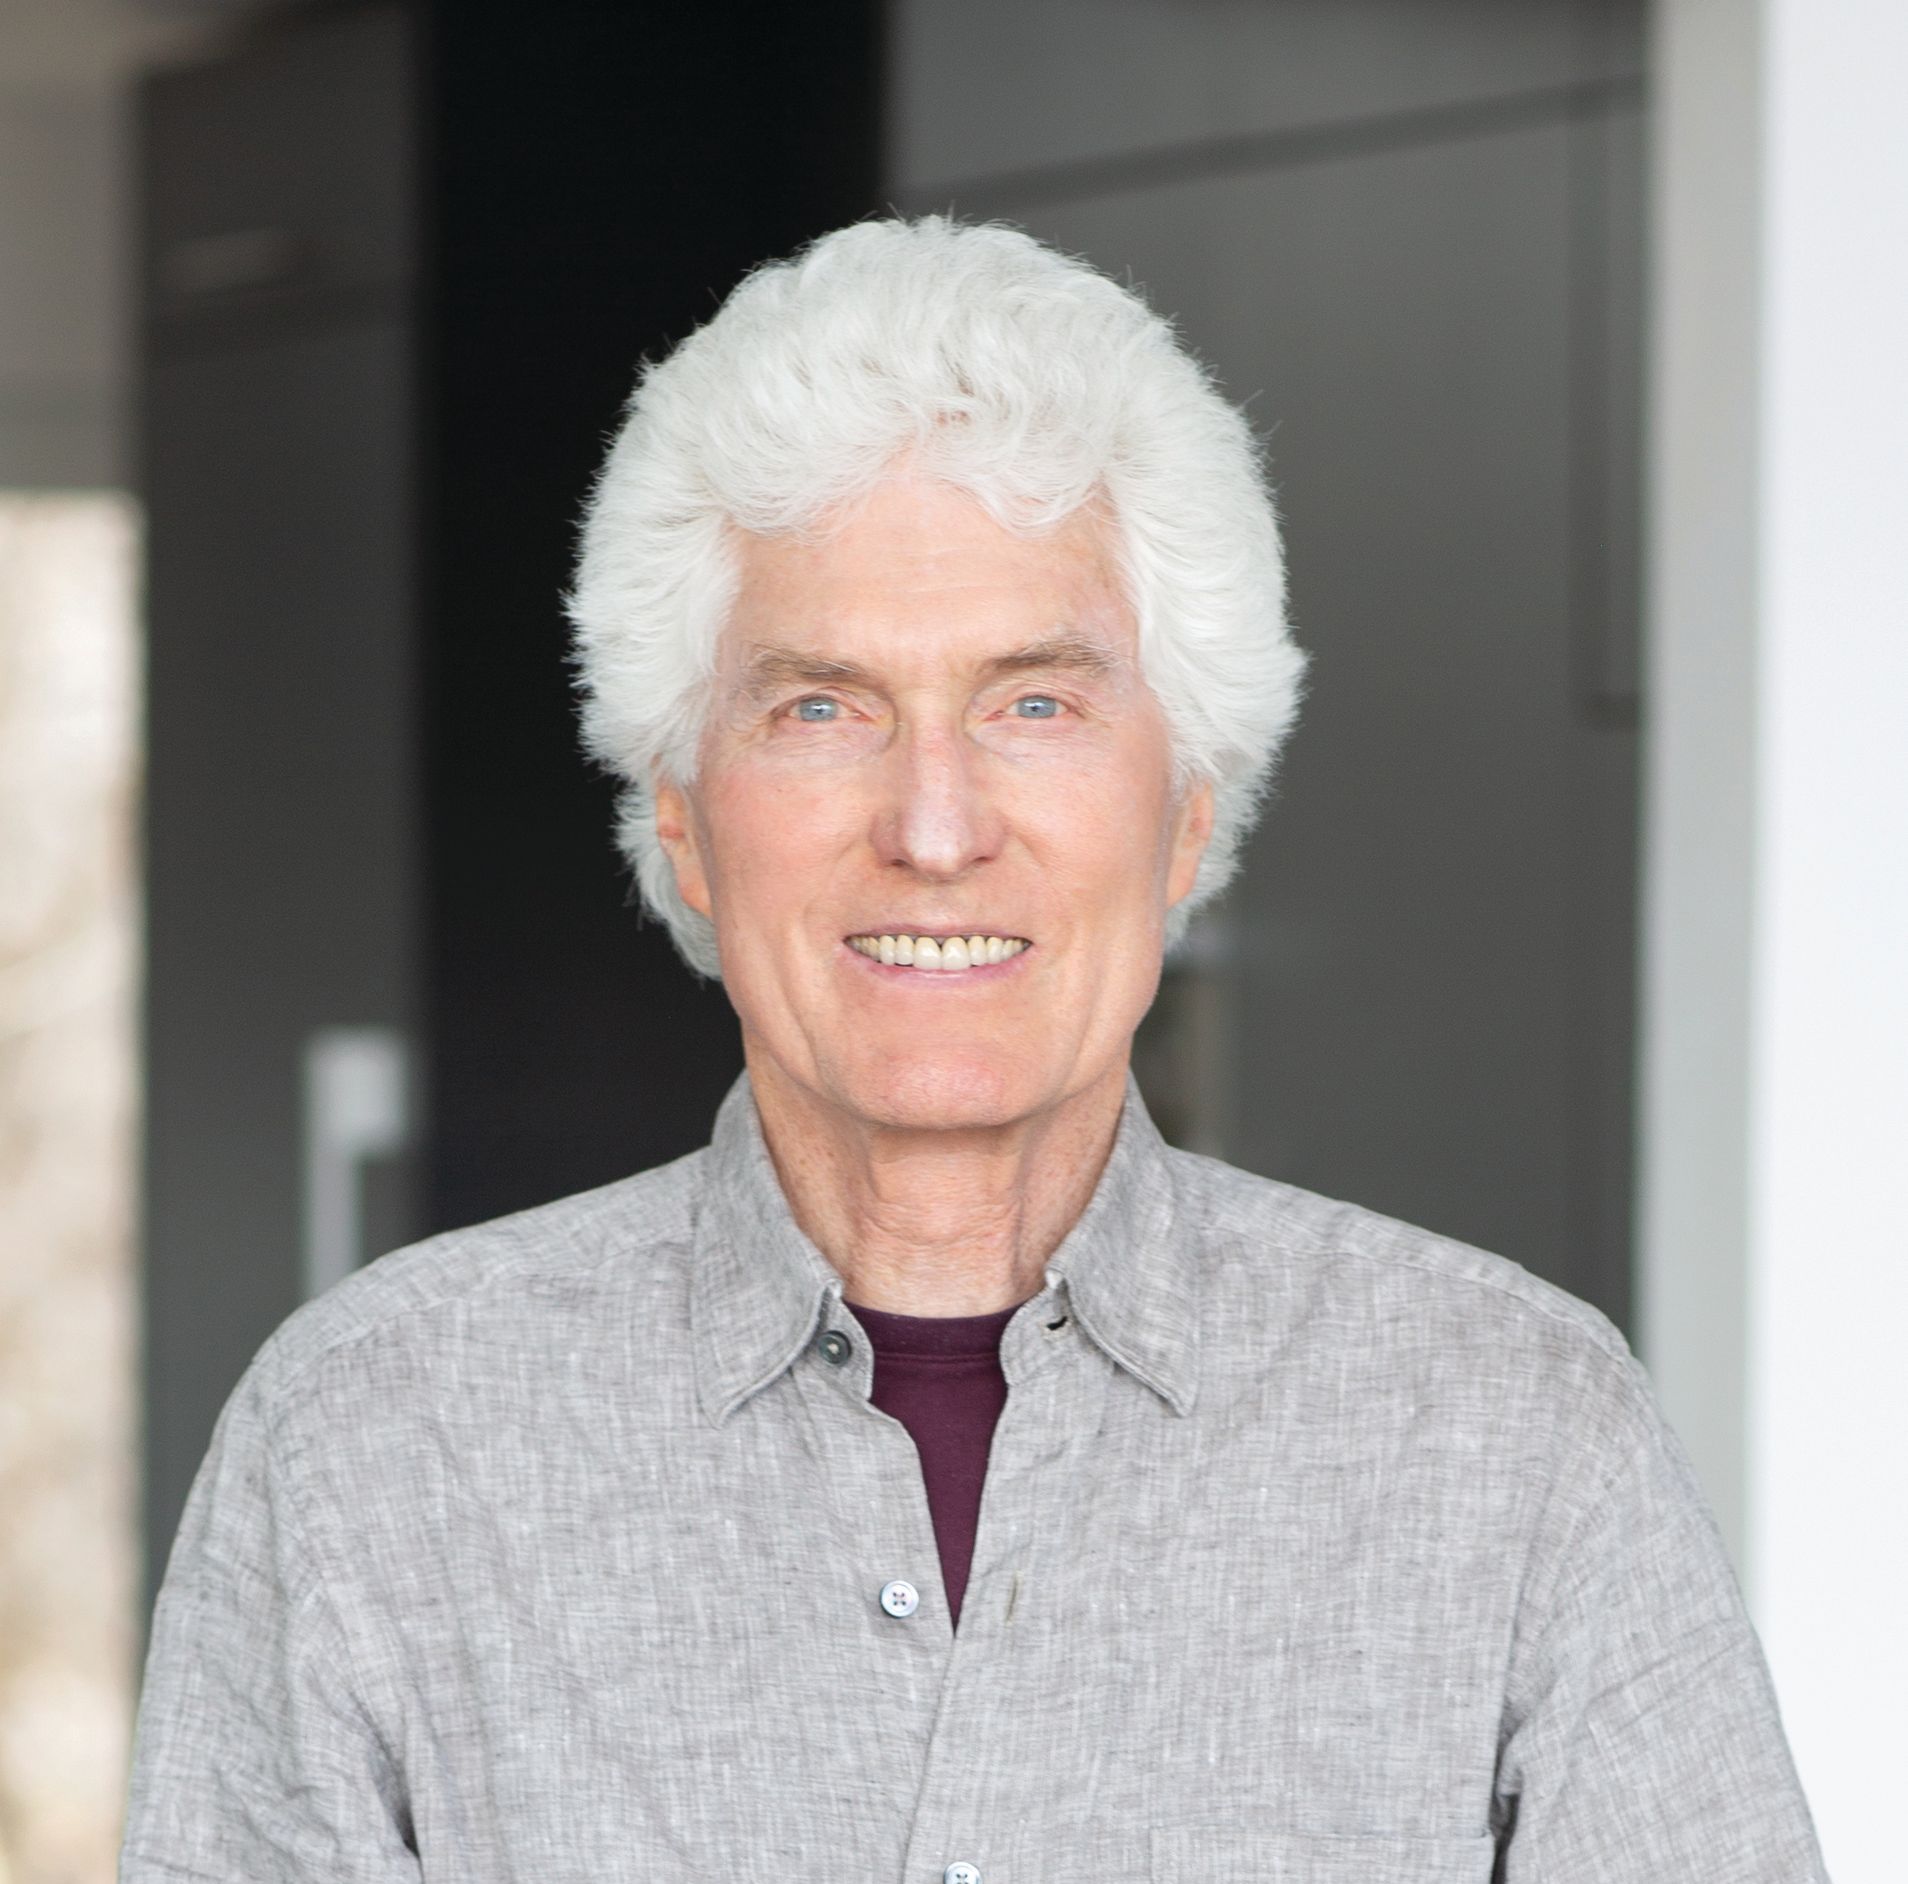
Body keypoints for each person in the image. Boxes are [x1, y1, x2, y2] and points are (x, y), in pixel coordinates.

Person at [121, 217, 1826, 1882]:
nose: (935, 827)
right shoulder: (372, 1443)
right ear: (688, 826)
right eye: (821, 707)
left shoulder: (1516, 1440)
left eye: (1035, 702)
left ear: (1186, 817)